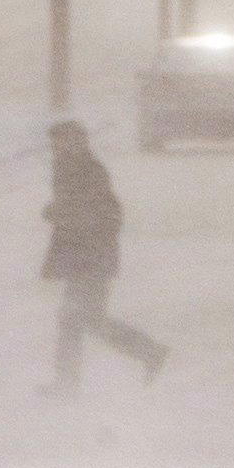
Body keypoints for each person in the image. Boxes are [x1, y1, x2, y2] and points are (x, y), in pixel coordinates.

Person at [41, 119, 168, 391]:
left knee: (80, 318)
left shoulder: (86, 170)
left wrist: (60, 214)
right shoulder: (71, 169)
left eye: (59, 142)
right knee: (81, 319)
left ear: (76, 142)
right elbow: (85, 209)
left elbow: (98, 212)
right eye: (54, 143)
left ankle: (149, 352)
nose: (54, 147)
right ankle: (147, 353)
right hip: (85, 256)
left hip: (90, 257)